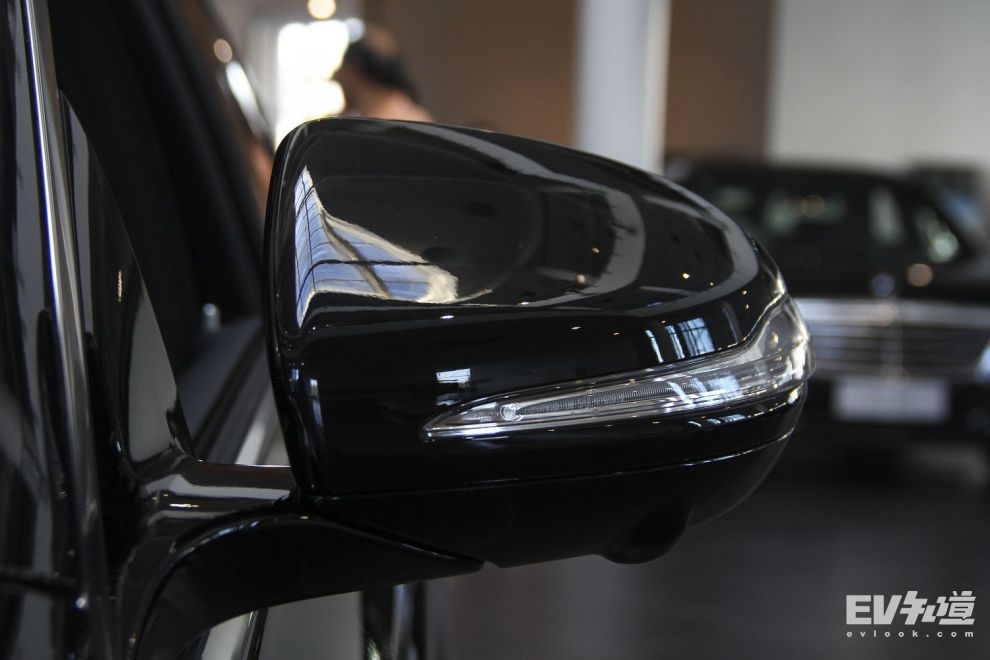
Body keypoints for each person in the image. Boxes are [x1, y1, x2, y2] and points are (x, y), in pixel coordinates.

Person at [334, 26, 434, 122]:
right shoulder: (401, 114)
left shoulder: (393, 122)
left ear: (354, 70)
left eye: (342, 68)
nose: (336, 76)